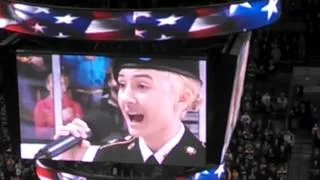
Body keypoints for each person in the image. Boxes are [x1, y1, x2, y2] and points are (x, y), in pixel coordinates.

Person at [36, 58, 206, 179]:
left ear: (183, 97)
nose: (126, 98)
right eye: (122, 85)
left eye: (142, 86)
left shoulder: (205, 159)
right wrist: (71, 167)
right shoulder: (108, 154)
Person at [33, 73, 83, 139]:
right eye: (53, 82)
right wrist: (58, 119)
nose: (57, 85)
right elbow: (39, 133)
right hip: (48, 142)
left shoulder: (75, 106)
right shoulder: (40, 105)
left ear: (65, 87)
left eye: (61, 83)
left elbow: (80, 131)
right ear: (48, 86)